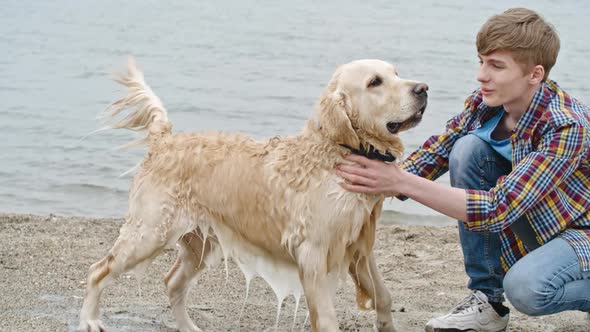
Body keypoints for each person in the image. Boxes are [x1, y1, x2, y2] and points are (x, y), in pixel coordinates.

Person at [336, 7, 590, 332]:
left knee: (526, 289)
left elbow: (499, 208)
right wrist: (371, 182)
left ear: (535, 75)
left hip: (581, 234)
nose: (481, 75)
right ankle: (487, 303)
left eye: (496, 66)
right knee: (467, 148)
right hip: (540, 224)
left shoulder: (568, 126)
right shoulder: (485, 104)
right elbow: (437, 153)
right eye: (481, 61)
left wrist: (401, 181)